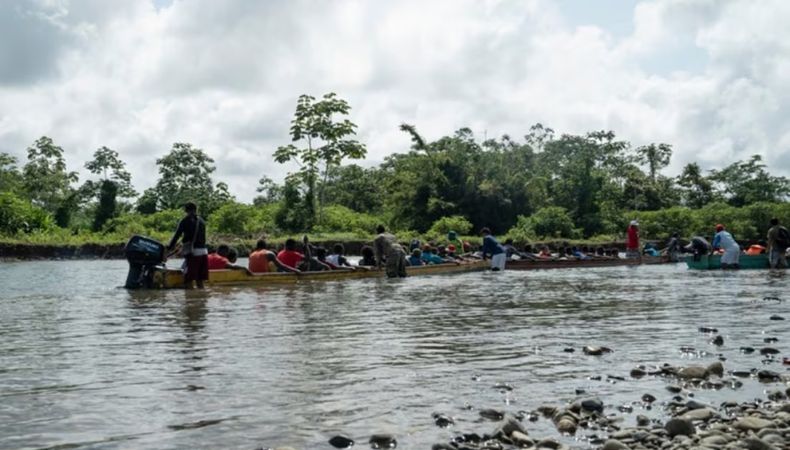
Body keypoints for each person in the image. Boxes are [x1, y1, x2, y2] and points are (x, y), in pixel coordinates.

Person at [167, 202, 209, 289]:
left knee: (188, 280)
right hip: (204, 252)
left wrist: (169, 248)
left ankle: (190, 297)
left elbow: (177, 236)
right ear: (196, 209)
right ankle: (202, 296)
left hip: (193, 253)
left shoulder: (185, 221)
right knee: (200, 280)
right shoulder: (201, 221)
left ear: (186, 210)